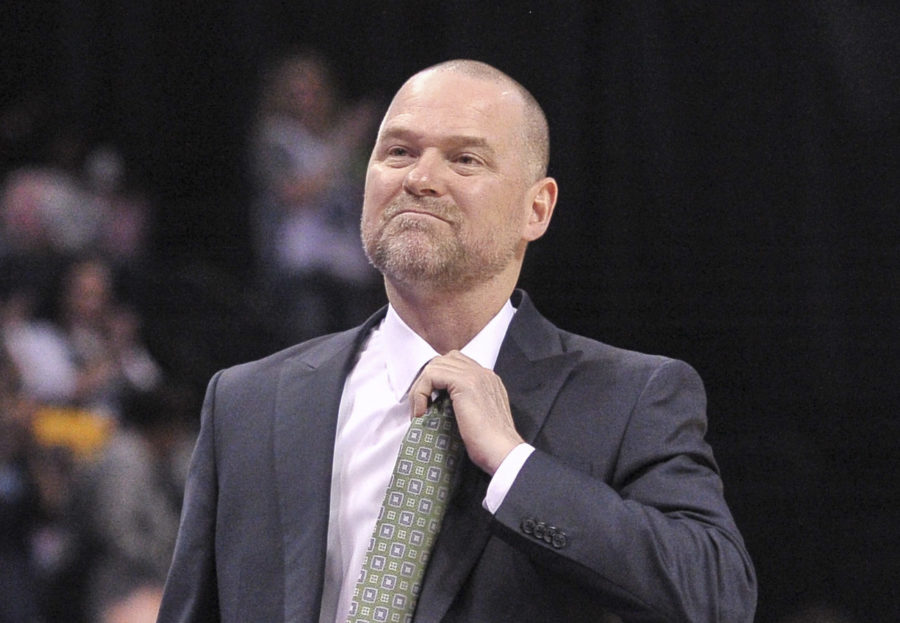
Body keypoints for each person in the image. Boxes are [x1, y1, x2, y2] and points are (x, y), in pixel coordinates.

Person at [158, 60, 756, 622]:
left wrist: (513, 464)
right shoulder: (247, 402)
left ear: (537, 209)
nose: (420, 178)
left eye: (465, 160)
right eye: (398, 151)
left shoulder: (631, 396)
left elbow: (716, 595)